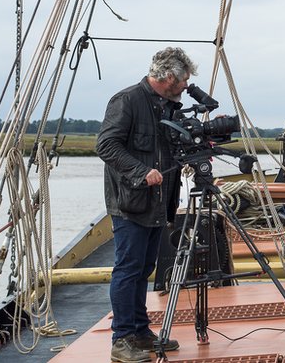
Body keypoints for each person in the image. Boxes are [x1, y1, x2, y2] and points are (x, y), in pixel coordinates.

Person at [97, 47, 196, 363]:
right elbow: (106, 145)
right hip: (130, 203)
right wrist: (141, 171)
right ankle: (122, 338)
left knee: (144, 269)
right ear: (168, 77)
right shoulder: (126, 101)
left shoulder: (166, 106)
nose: (184, 87)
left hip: (157, 203)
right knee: (128, 269)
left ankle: (140, 331)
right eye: (182, 81)